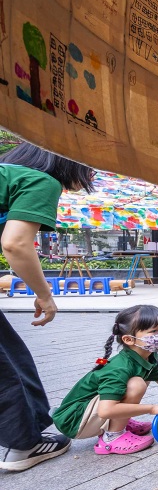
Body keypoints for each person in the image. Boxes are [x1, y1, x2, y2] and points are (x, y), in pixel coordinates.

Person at [0, 143, 95, 472]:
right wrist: (45, 295)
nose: (90, 177)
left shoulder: (8, 177)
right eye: (90, 169)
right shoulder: (39, 181)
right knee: (9, 366)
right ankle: (23, 445)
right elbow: (16, 244)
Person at [51, 305, 158, 455]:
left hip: (90, 411)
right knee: (136, 384)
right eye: (154, 331)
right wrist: (152, 408)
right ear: (129, 339)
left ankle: (120, 421)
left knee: (140, 380)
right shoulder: (119, 368)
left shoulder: (149, 356)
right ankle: (112, 438)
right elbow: (106, 410)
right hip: (74, 421)